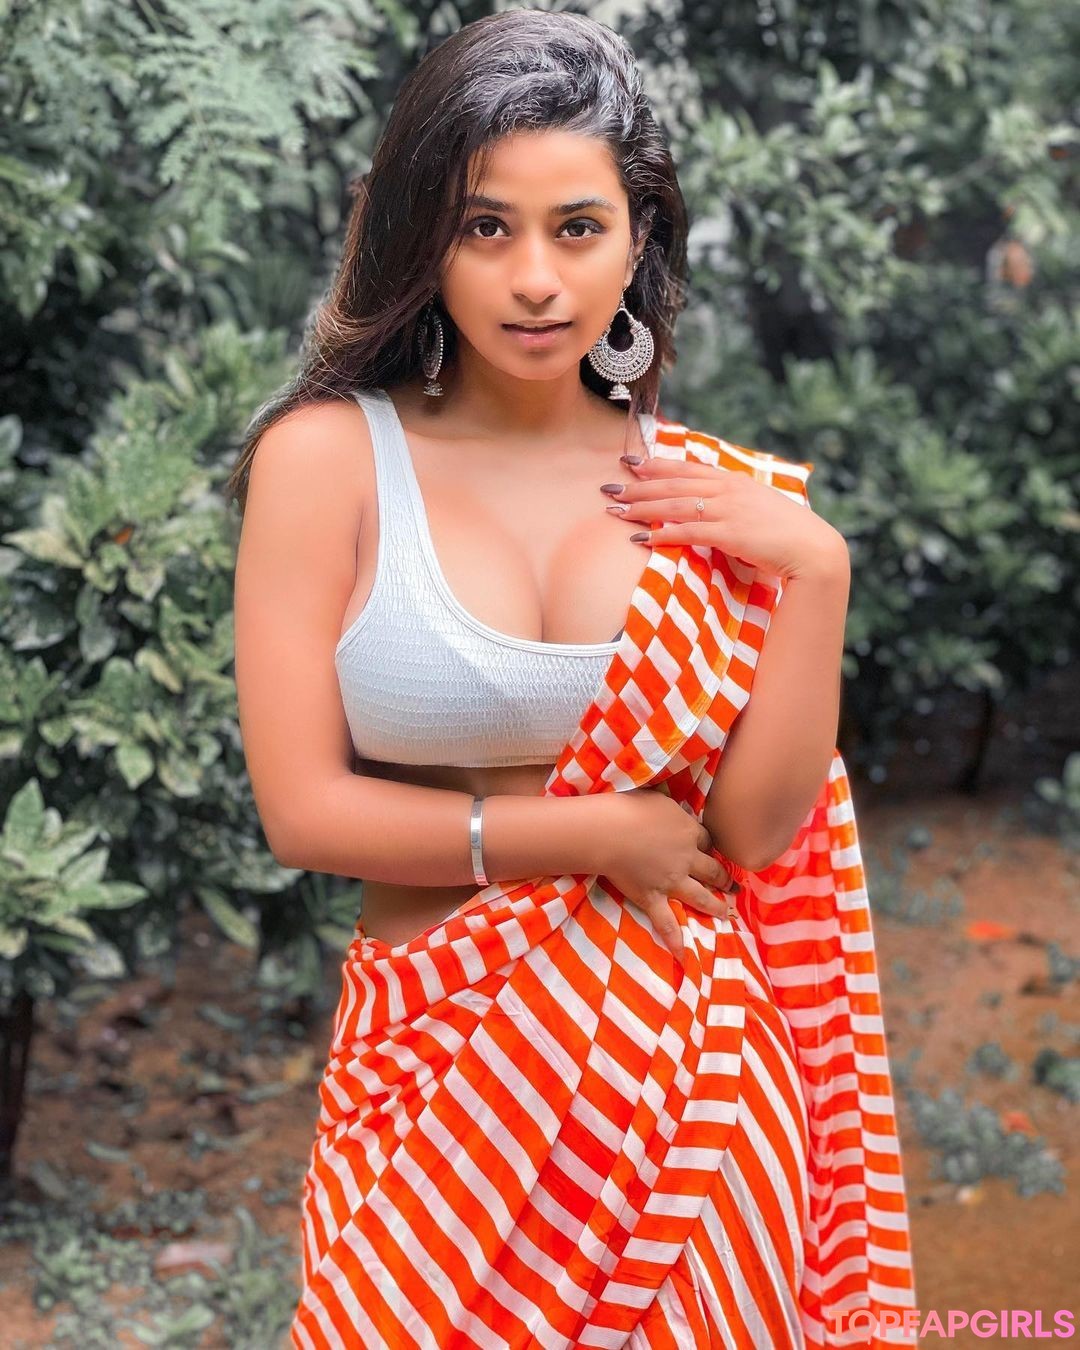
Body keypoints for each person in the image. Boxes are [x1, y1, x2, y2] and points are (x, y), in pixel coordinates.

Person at [228, 10, 918, 1347]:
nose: (535, 279)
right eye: (486, 227)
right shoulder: (329, 461)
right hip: (438, 1097)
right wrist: (587, 833)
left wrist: (818, 574)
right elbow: (303, 810)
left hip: (697, 1101)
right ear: (423, 235)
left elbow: (752, 836)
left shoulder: (702, 495)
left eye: (578, 228)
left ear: (638, 237)